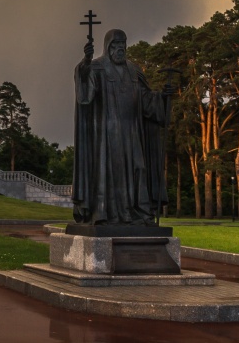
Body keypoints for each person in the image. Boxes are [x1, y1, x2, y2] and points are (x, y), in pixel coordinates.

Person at [72, 28, 173, 226]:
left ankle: (141, 213)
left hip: (132, 131)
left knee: (139, 168)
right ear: (108, 47)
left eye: (123, 46)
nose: (120, 50)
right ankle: (107, 214)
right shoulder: (97, 68)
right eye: (115, 46)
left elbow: (145, 101)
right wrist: (84, 65)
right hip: (108, 135)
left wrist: (162, 97)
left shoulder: (134, 71)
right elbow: (85, 97)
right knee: (112, 173)